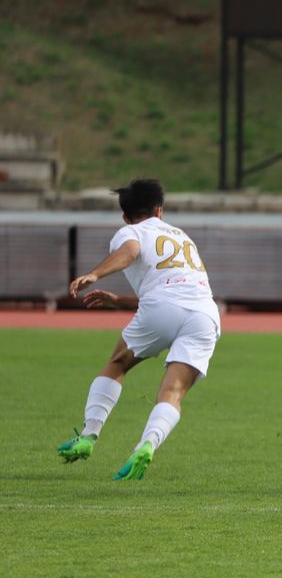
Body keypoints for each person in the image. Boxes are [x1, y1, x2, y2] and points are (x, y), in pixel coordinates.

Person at [56, 179, 221, 480]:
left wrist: (95, 273)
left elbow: (130, 252)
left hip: (161, 309)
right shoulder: (183, 236)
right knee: (172, 393)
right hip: (205, 314)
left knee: (118, 363)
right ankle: (147, 445)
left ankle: (89, 436)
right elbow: (178, 286)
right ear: (159, 210)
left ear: (125, 216)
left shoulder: (130, 231)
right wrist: (119, 300)